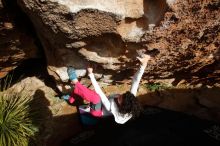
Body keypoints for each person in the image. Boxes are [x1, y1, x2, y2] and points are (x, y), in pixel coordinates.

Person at [64, 54, 151, 124]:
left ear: (121, 105)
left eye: (121, 98)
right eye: (123, 95)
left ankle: (74, 80)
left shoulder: (112, 108)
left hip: (97, 112)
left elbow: (99, 93)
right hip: (102, 104)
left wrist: (90, 73)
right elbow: (136, 81)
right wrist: (143, 65)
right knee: (92, 95)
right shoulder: (130, 100)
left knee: (95, 97)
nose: (120, 95)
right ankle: (71, 99)